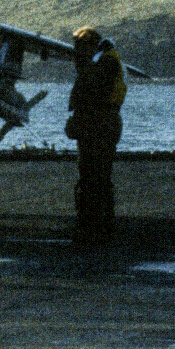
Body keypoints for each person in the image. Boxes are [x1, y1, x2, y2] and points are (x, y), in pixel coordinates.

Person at [66, 26, 128, 245]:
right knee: (98, 176)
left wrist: (78, 120)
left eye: (80, 48)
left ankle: (92, 226)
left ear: (89, 45)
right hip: (103, 123)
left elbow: (90, 92)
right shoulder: (110, 59)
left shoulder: (104, 63)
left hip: (99, 124)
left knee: (93, 176)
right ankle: (100, 224)